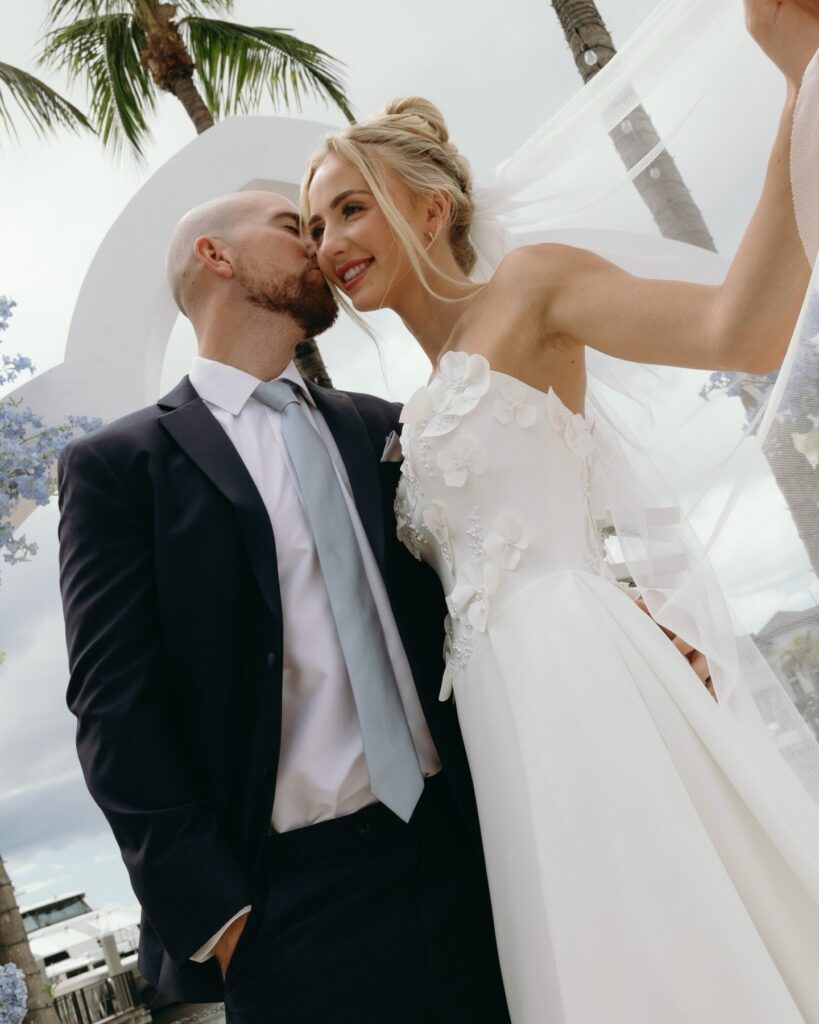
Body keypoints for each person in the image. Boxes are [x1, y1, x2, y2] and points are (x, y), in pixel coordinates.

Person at [302, 1, 819, 1020]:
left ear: (430, 206)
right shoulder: (405, 406)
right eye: (315, 225)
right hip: (498, 716)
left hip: (581, 674)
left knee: (660, 923)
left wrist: (803, 89)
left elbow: (741, 327)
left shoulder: (531, 291)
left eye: (350, 209)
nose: (329, 243)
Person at [56, 189, 512, 1024]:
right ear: (215, 256)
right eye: (293, 228)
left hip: (470, 854)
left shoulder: (390, 431)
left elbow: (493, 583)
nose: (322, 246)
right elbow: (113, 705)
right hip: (292, 906)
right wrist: (221, 916)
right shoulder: (120, 467)